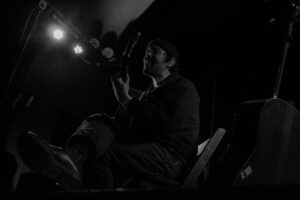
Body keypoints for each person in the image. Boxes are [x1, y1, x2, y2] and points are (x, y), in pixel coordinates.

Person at [16, 39, 200, 190]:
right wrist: (122, 105)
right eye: (146, 51)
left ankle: (73, 164)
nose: (147, 55)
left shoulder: (183, 87)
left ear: (170, 62)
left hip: (171, 158)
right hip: (154, 150)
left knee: (105, 154)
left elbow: (166, 122)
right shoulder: (149, 93)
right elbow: (138, 125)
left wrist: (127, 100)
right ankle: (71, 157)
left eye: (155, 51)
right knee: (102, 120)